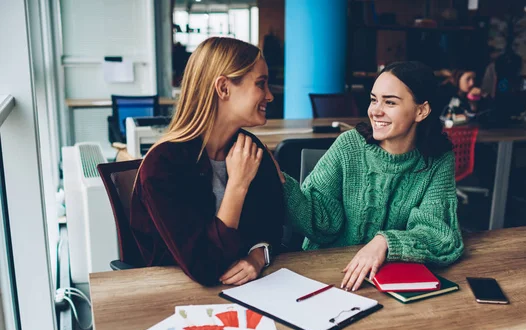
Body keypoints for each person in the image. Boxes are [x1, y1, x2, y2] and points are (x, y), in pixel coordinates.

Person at [272, 61, 464, 292]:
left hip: (385, 280)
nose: (375, 110)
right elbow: (319, 223)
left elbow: (440, 236)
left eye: (390, 102)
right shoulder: (349, 146)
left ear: (421, 111)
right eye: (374, 99)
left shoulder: (438, 160)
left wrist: (384, 242)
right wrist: (280, 181)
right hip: (325, 273)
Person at [130, 37, 284, 287]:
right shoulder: (162, 165)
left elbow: (272, 226)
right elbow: (204, 266)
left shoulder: (251, 150)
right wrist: (238, 186)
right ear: (223, 88)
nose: (269, 96)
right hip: (171, 298)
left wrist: (258, 256)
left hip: (248, 292)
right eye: (260, 84)